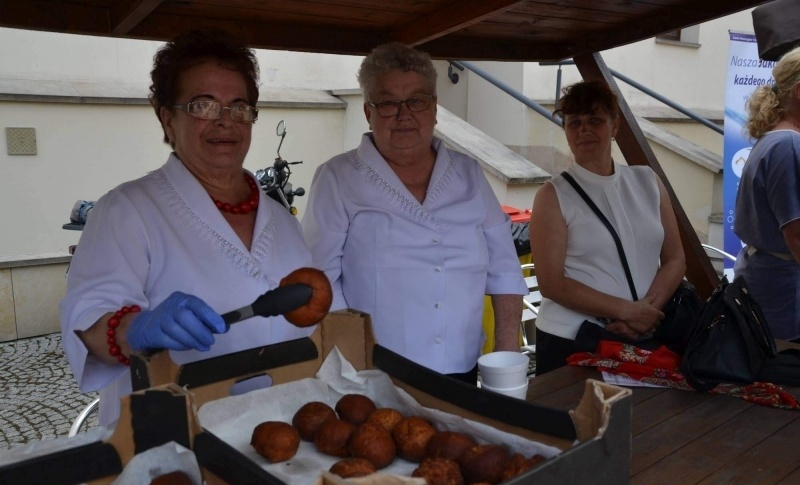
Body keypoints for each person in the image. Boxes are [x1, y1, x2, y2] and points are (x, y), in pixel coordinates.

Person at [59, 29, 314, 425]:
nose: (225, 121)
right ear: (168, 119)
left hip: (281, 428)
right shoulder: (126, 210)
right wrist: (134, 329)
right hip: (173, 438)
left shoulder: (281, 219)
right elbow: (88, 321)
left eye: (238, 107)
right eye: (203, 105)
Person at [301, 42, 527, 384]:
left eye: (417, 101)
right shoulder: (338, 177)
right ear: (368, 112)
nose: (404, 115)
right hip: (375, 373)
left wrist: (506, 361)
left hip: (461, 367)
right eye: (388, 102)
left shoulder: (468, 173)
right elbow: (320, 281)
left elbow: (504, 269)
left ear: (434, 108)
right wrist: (352, 365)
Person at [529, 80, 685, 375]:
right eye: (574, 122)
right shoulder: (553, 194)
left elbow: (675, 257)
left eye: (595, 120)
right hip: (573, 341)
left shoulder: (647, 181)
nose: (583, 129)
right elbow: (551, 282)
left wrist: (646, 314)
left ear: (615, 127)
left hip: (643, 335)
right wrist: (627, 311)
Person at [733, 47, 800, 342]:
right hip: (784, 297)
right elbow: (797, 236)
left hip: (770, 286)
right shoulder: (787, 144)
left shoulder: (778, 140)